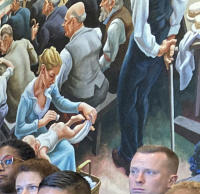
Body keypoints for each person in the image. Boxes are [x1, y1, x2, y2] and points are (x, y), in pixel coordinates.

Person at [112, 0, 183, 172]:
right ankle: (138, 145)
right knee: (142, 94)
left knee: (126, 98)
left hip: (145, 45)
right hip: (161, 36)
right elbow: (179, 5)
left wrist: (157, 50)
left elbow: (139, 31)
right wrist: (170, 38)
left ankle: (129, 155)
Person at [14, 47, 97, 173]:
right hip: (29, 140)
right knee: (43, 165)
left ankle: (66, 183)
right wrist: (41, 123)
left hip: (43, 135)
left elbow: (61, 102)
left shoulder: (50, 86)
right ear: (43, 69)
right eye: (52, 76)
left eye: (56, 76)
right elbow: (19, 129)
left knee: (68, 149)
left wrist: (81, 106)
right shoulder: (27, 97)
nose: (54, 81)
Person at [58, 3, 110, 105]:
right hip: (102, 87)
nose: (62, 25)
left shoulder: (67, 52)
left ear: (73, 22)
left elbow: (57, 83)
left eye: (65, 21)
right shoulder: (96, 32)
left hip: (84, 99)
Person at [98, 0, 133, 92]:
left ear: (112, 3)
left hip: (119, 70)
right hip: (126, 60)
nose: (100, 4)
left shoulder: (115, 26)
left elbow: (108, 58)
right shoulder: (123, 10)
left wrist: (95, 72)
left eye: (103, 1)